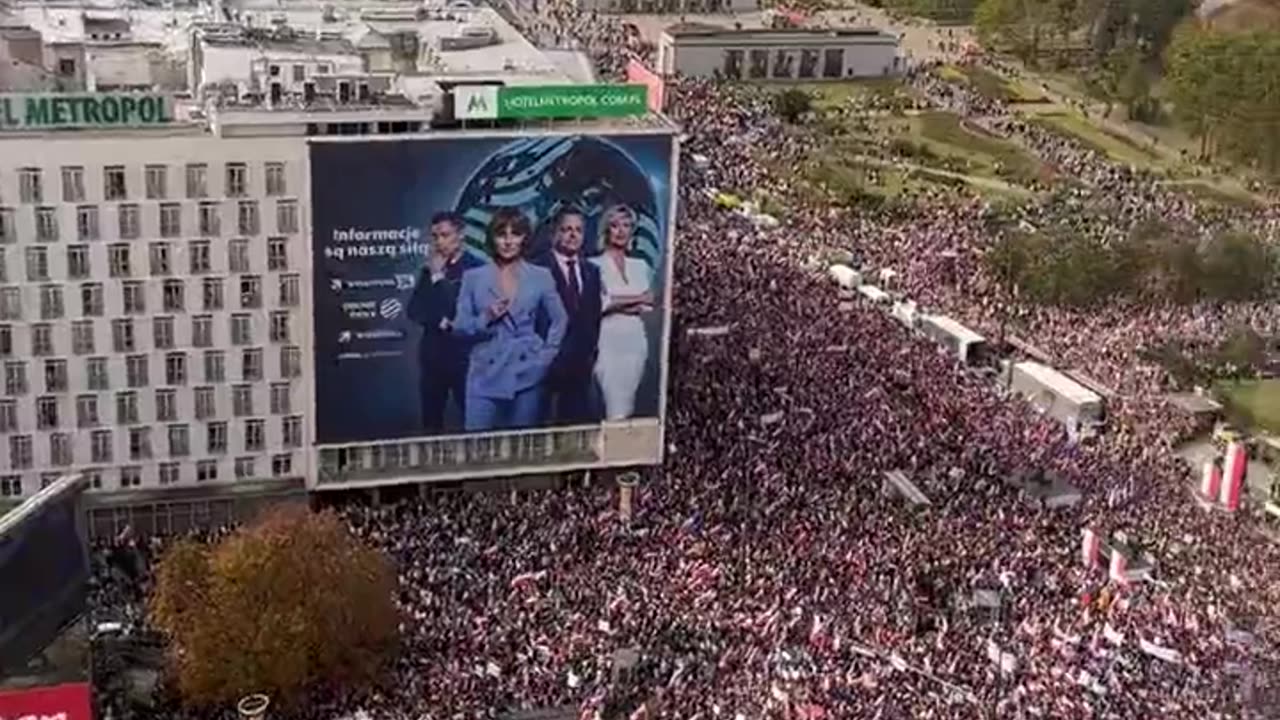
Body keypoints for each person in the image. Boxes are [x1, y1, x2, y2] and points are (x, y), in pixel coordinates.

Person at [453, 208, 567, 432]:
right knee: (477, 447)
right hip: (484, 373)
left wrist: (545, 357)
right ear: (492, 239)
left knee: (522, 447)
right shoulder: (473, 278)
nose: (508, 241)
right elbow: (459, 327)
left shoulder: (540, 276)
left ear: (524, 238)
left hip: (527, 371)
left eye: (515, 234)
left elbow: (560, 319)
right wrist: (486, 316)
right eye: (501, 234)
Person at [406, 212, 486, 433]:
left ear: (460, 235)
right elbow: (414, 310)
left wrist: (439, 279)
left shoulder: (477, 269)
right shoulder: (429, 269)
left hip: (465, 359)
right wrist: (439, 321)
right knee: (431, 423)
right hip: (433, 359)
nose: (439, 242)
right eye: (435, 236)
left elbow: (462, 311)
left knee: (472, 421)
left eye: (445, 235)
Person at [536, 207, 603, 425]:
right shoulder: (537, 268)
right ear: (554, 233)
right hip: (543, 365)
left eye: (578, 230)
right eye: (566, 229)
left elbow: (593, 318)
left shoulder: (592, 271)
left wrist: (590, 353)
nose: (573, 235)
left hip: (579, 367)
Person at [591, 204, 654, 421]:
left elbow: (648, 304)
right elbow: (600, 305)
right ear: (606, 230)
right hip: (608, 339)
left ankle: (620, 447)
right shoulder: (594, 265)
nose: (621, 231)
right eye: (615, 225)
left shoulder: (640, 265)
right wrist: (635, 298)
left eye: (626, 225)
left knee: (627, 404)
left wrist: (618, 301)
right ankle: (614, 451)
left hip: (635, 339)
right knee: (614, 404)